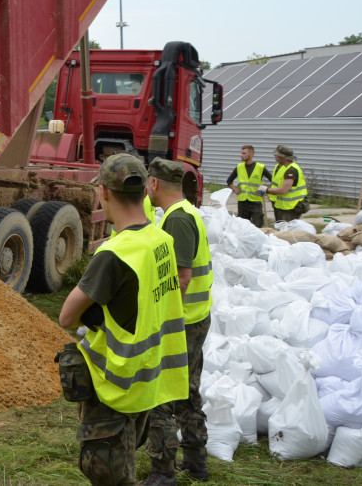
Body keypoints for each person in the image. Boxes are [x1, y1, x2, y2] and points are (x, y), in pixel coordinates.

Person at [59, 153, 188, 486]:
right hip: (149, 381)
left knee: (110, 473)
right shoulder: (161, 240)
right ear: (146, 191)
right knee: (126, 459)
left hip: (116, 384)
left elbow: (66, 316)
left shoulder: (114, 255)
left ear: (103, 193)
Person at [144, 159, 214, 483]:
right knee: (187, 391)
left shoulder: (178, 220)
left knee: (162, 396)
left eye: (148, 183)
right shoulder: (183, 214)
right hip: (194, 319)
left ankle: (162, 472)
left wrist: (163, 321)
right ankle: (197, 464)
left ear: (155, 184)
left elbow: (181, 278)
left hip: (183, 323)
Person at [226, 144, 272, 227]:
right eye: (241, 153)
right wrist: (235, 189)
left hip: (255, 202)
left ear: (251, 154)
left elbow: (273, 180)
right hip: (243, 202)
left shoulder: (260, 167)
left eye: (244, 153)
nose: (241, 155)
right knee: (242, 227)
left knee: (257, 227)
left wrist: (267, 191)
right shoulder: (239, 167)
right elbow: (229, 180)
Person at [263, 145, 309, 222]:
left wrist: (267, 190)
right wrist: (266, 191)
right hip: (282, 205)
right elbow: (276, 183)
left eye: (277, 155)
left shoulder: (291, 170)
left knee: (287, 231)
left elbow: (283, 190)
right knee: (281, 229)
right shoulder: (280, 167)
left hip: (291, 207)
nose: (275, 156)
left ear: (283, 157)